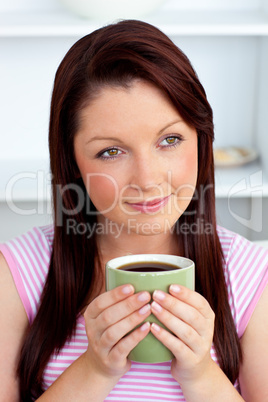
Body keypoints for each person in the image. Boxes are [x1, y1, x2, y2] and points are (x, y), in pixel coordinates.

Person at [0, 19, 267, 402]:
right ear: (73, 163)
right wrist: (95, 369)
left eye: (169, 140)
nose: (147, 179)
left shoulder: (251, 277)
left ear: (201, 140)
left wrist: (201, 374)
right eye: (111, 151)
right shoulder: (19, 272)